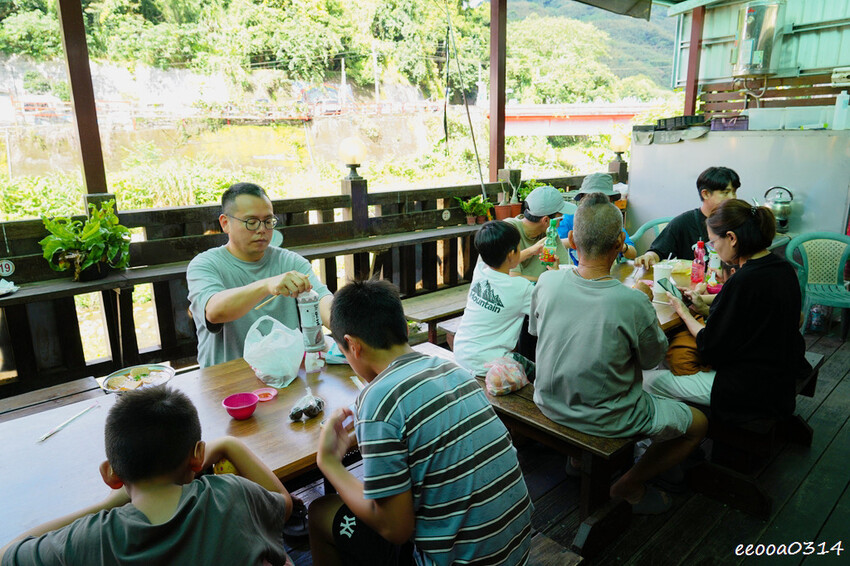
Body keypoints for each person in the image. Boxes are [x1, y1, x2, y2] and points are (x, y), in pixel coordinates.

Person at [309, 279, 533, 566]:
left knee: (319, 513)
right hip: (515, 548)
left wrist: (329, 463)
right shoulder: (451, 369)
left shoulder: (377, 399)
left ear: (352, 345)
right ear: (402, 326)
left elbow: (395, 529)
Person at [531, 193, 707, 514]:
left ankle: (575, 459)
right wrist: (643, 302)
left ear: (572, 240)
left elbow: (541, 335)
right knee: (698, 425)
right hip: (608, 419)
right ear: (619, 245)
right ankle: (629, 484)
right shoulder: (632, 302)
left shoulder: (546, 282)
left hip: (549, 401)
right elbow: (654, 360)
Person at [0, 387, 294, 565]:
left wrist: (101, 507)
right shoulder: (230, 494)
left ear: (110, 474)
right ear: (198, 456)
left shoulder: (91, 538)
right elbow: (283, 503)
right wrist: (232, 444)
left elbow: (9, 554)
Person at [643, 199, 812, 425]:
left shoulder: (743, 280)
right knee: (665, 363)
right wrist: (704, 307)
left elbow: (709, 346)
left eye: (713, 242)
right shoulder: (780, 268)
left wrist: (683, 311)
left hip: (749, 388)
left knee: (646, 379)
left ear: (732, 238)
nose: (714, 248)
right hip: (780, 372)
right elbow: (748, 317)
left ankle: (677, 439)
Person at [187, 182, 332, 367]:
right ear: (225, 223)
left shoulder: (291, 262)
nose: (262, 229)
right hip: (227, 379)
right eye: (251, 222)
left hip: (284, 372)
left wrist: (344, 324)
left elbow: (322, 300)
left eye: (268, 221)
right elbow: (214, 311)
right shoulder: (205, 264)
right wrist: (267, 285)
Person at [453, 221, 535, 377]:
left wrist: (531, 251)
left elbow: (506, 262)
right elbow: (549, 309)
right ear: (511, 253)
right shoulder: (521, 288)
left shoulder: (480, 271)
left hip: (462, 352)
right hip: (490, 365)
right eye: (519, 247)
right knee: (541, 373)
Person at [635, 166, 740, 267]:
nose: (732, 198)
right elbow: (658, 251)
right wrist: (649, 257)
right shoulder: (684, 222)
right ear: (706, 194)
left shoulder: (739, 221)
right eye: (725, 193)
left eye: (734, 192)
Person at [557, 173, 636, 264]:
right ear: (582, 199)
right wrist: (581, 239)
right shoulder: (570, 218)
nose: (595, 204)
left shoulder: (610, 220)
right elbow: (555, 243)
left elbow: (632, 253)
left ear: (610, 201)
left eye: (602, 200)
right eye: (591, 198)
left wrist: (622, 246)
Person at [505, 184, 574, 281]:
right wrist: (548, 281)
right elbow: (513, 277)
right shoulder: (508, 230)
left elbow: (568, 266)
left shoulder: (549, 233)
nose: (562, 218)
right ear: (546, 220)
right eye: (560, 215)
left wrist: (557, 270)